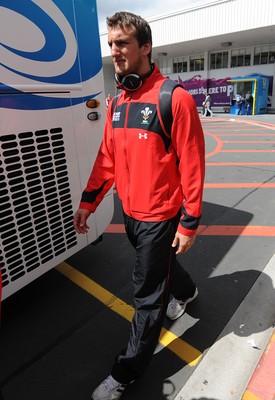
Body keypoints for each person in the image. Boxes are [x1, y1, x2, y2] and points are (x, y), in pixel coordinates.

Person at [73, 11, 205, 400]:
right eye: (111, 43)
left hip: (161, 217)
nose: (114, 51)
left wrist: (189, 222)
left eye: (123, 43)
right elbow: (107, 158)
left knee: (147, 297)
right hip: (131, 215)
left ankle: (125, 372)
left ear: (145, 47)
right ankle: (187, 292)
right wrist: (89, 201)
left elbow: (193, 164)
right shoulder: (118, 102)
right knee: (161, 266)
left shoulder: (173, 99)